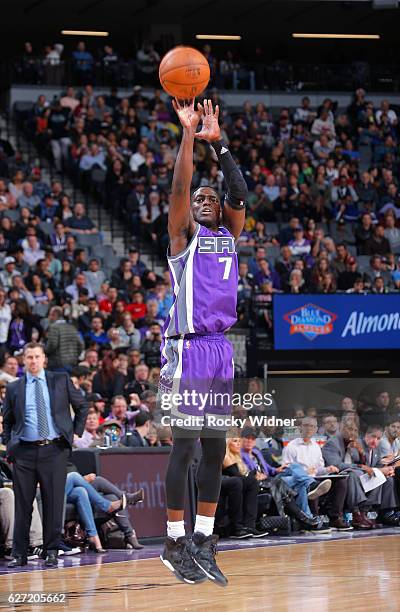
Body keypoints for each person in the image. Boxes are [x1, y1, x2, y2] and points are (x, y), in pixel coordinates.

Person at [159, 99, 247, 586]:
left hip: (220, 350)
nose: (207, 199)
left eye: (212, 196)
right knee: (186, 449)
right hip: (188, 347)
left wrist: (221, 143)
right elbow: (178, 186)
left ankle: (204, 542)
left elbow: (241, 192)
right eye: (200, 198)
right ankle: (173, 541)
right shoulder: (183, 237)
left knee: (216, 451)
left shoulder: (228, 236)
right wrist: (190, 134)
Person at [2, 342, 89, 567]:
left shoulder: (60, 380)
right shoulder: (14, 388)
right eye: (29, 357)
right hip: (24, 452)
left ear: (44, 359)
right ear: (24, 361)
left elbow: (82, 406)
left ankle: (51, 550)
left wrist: (75, 433)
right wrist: (10, 446)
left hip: (54, 450)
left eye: (36, 357)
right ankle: (19, 554)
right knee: (23, 504)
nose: (33, 361)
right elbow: (8, 421)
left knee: (53, 502)